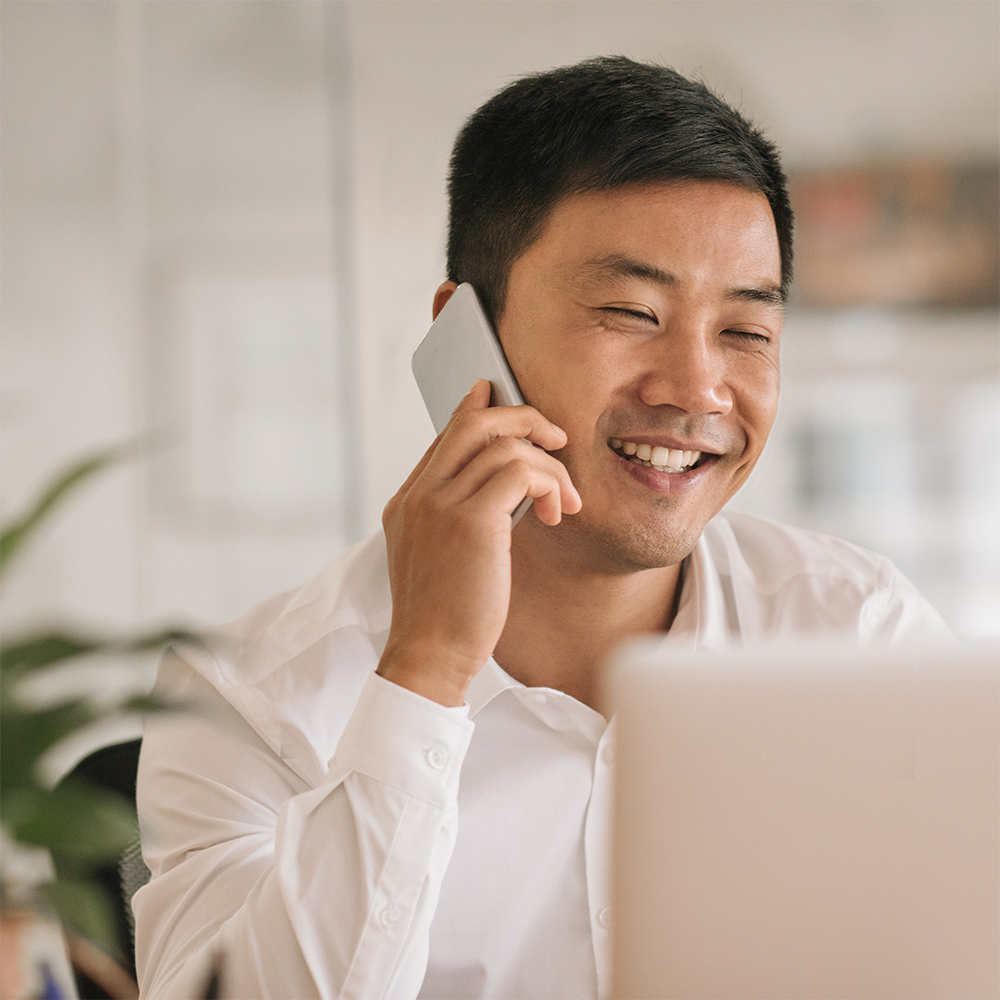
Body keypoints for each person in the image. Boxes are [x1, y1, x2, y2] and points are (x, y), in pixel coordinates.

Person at [133, 57, 949, 999]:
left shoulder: (860, 636)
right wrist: (426, 670)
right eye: (630, 312)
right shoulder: (244, 696)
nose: (696, 390)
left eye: (746, 332)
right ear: (464, 340)